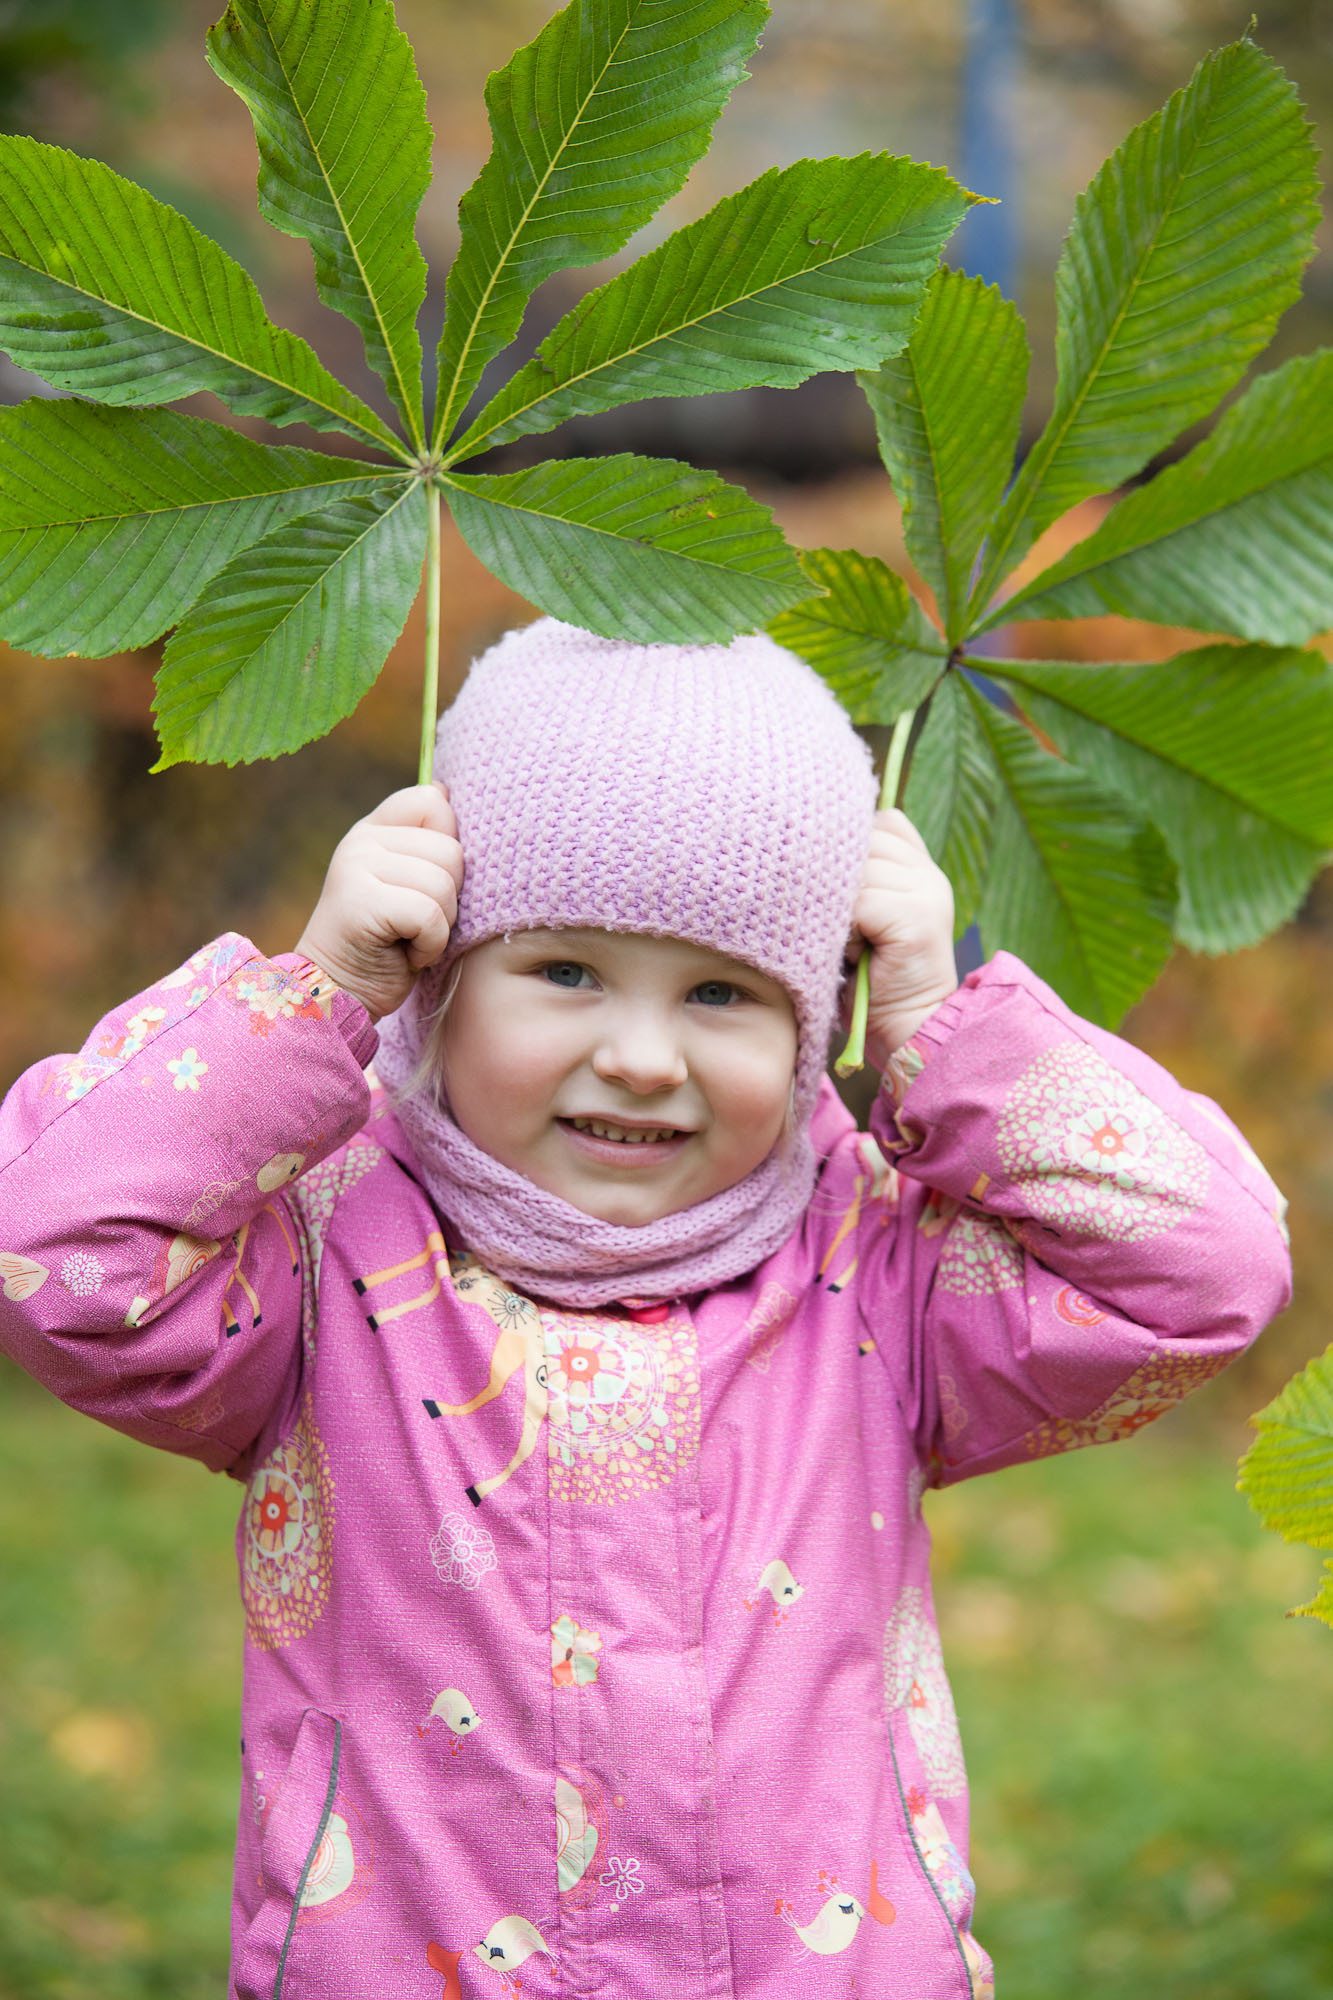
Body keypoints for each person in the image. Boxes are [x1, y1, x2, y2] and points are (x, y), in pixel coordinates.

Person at [0, 620, 1290, 2000]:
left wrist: (939, 1026)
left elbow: (1206, 1268)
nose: (637, 1056)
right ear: (436, 979)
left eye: (723, 994)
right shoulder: (323, 1255)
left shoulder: (874, 1274)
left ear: (813, 1031)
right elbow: (56, 1253)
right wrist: (313, 998)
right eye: (562, 972)